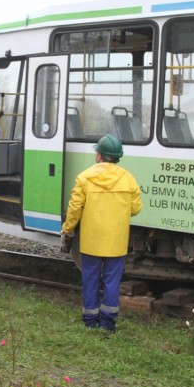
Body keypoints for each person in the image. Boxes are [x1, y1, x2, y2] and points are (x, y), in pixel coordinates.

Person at [61, 134, 142, 332]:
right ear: (117, 157)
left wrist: (67, 229)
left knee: (90, 280)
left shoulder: (84, 177)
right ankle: (108, 324)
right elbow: (136, 208)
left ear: (99, 155)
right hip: (116, 242)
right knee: (112, 282)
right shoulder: (128, 178)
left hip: (91, 242)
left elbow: (74, 209)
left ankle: (90, 321)